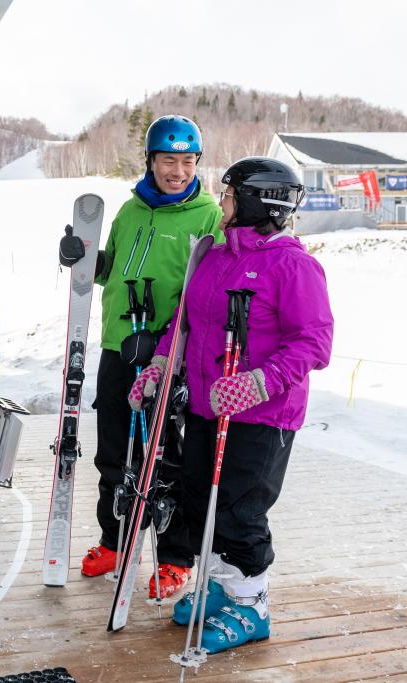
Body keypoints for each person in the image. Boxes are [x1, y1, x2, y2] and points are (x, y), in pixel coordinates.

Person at [130, 156, 333, 652]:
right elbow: (185, 320)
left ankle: (253, 603)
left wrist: (260, 382)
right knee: (204, 499)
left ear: (252, 202)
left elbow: (315, 342)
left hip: (262, 415)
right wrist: (161, 365)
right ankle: (224, 586)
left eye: (228, 194)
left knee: (241, 509)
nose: (220, 202)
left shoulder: (294, 265)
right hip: (207, 404)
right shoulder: (216, 255)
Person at [61, 115, 224, 599]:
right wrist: (87, 260)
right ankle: (117, 538)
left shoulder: (208, 216)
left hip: (169, 354)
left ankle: (175, 556)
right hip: (118, 345)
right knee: (114, 451)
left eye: (188, 161)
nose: (178, 171)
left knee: (169, 456)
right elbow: (114, 271)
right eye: (168, 161)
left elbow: (207, 290)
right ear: (150, 161)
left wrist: (166, 345)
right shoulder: (131, 211)